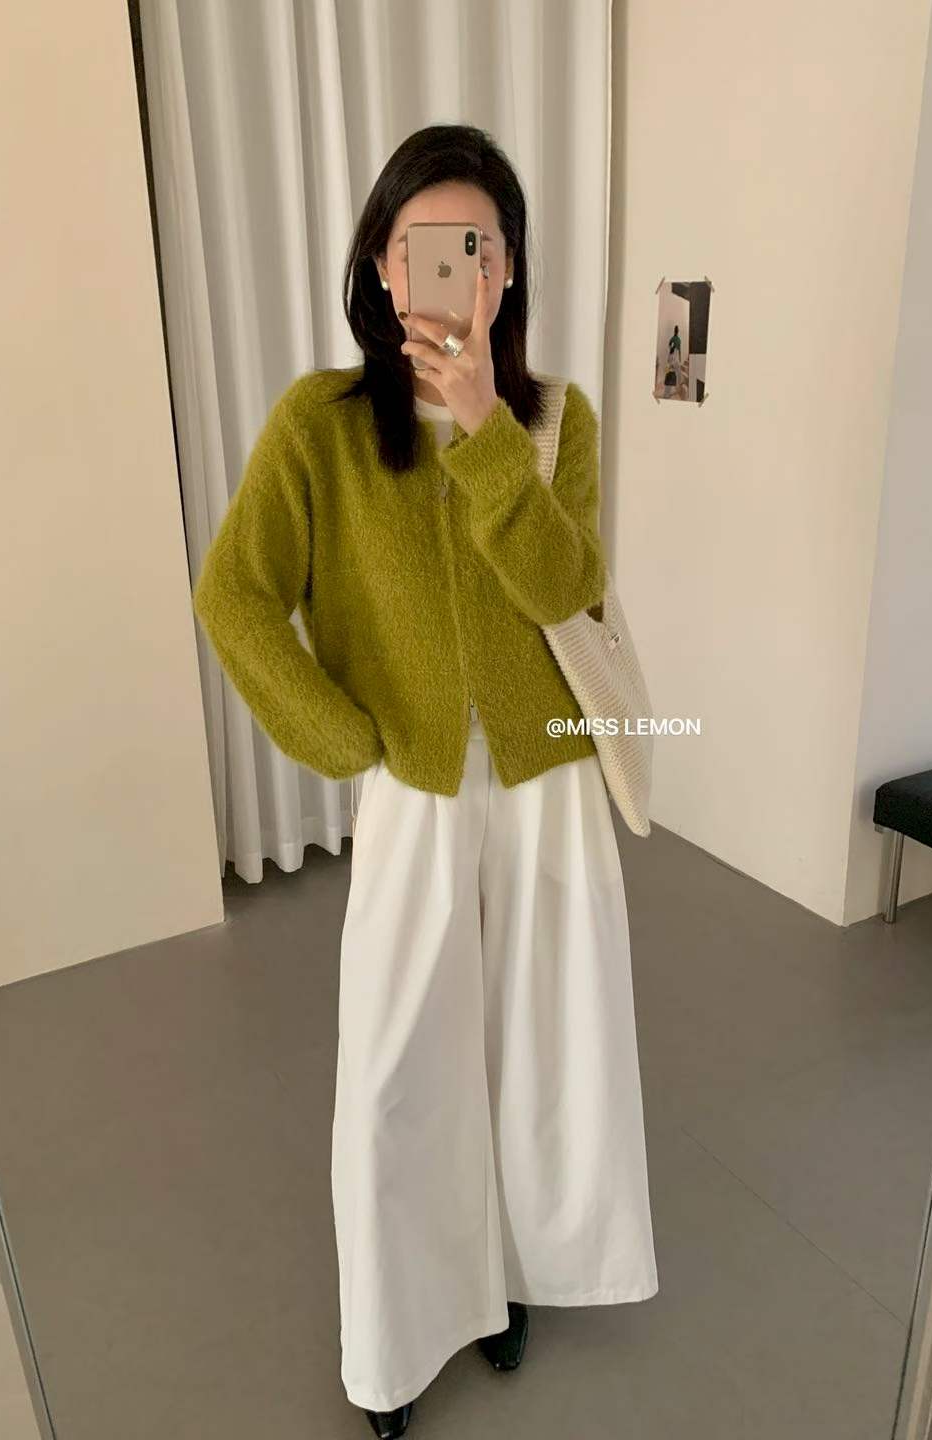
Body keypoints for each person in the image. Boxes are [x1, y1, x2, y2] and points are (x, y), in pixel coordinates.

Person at [192, 122, 658, 1439]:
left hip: (549, 779)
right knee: (402, 1063)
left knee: (544, 1049)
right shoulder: (321, 425)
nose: (455, 269)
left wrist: (488, 431)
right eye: (425, 244)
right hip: (415, 790)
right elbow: (233, 596)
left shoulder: (557, 419)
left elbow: (567, 591)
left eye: (480, 246)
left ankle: (509, 1278)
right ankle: (395, 1340)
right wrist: (341, 742)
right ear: (383, 267)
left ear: (507, 271)